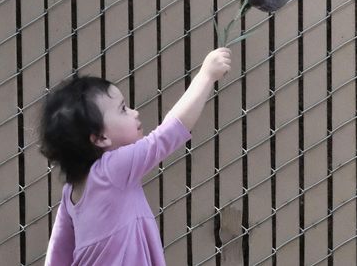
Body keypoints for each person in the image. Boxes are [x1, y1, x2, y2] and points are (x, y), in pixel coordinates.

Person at [40, 48, 232, 265]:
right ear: (100, 138)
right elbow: (166, 135)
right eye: (123, 109)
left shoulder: (71, 193)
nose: (135, 112)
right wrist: (206, 76)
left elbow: (58, 254)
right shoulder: (111, 170)